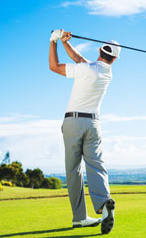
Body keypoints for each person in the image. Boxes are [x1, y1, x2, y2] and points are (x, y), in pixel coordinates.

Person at [49, 29, 119, 234]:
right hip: (94, 125)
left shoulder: (87, 69)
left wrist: (52, 41)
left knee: (73, 171)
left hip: (73, 122)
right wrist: (64, 42)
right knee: (96, 166)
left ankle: (79, 217)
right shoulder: (106, 73)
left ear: (99, 49)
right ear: (114, 59)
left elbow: (54, 66)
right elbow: (79, 59)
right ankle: (104, 203)